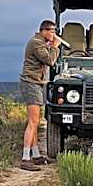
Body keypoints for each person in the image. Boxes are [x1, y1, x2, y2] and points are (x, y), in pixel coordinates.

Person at [18, 20, 60, 171]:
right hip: (31, 83)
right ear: (44, 30)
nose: (54, 34)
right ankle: (25, 158)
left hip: (35, 83)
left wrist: (50, 46)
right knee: (33, 122)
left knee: (34, 121)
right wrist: (55, 47)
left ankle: (35, 155)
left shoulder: (40, 42)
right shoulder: (36, 43)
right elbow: (50, 60)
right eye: (52, 31)